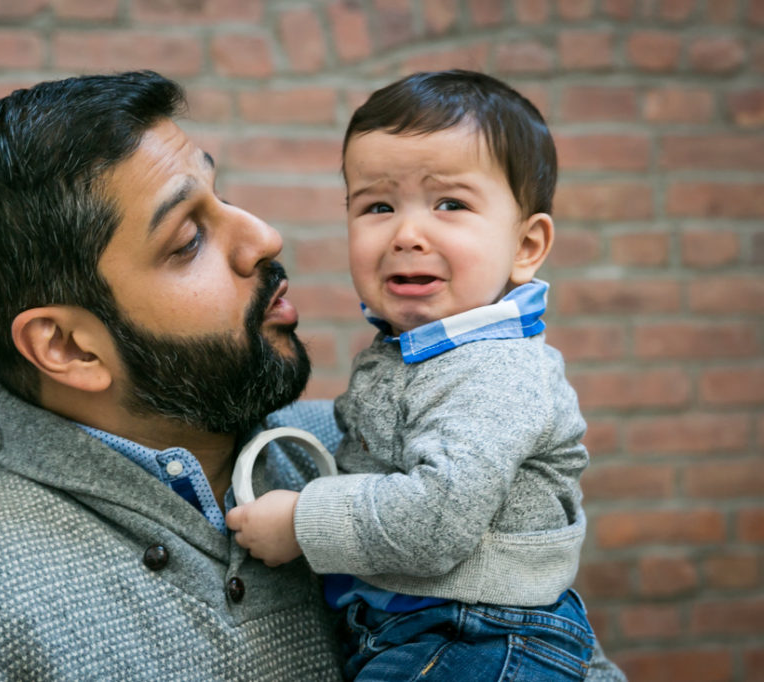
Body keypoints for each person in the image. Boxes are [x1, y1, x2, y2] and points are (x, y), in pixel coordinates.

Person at [0, 71, 346, 680]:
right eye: (188, 239)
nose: (263, 238)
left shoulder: (376, 452)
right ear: (66, 347)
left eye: (219, 194)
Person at [226, 70, 626, 680]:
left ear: (526, 246)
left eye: (450, 204)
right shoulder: (411, 351)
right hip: (419, 626)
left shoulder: (498, 371)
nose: (408, 234)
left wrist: (301, 522)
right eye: (378, 206)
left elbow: (435, 522)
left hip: (480, 636)